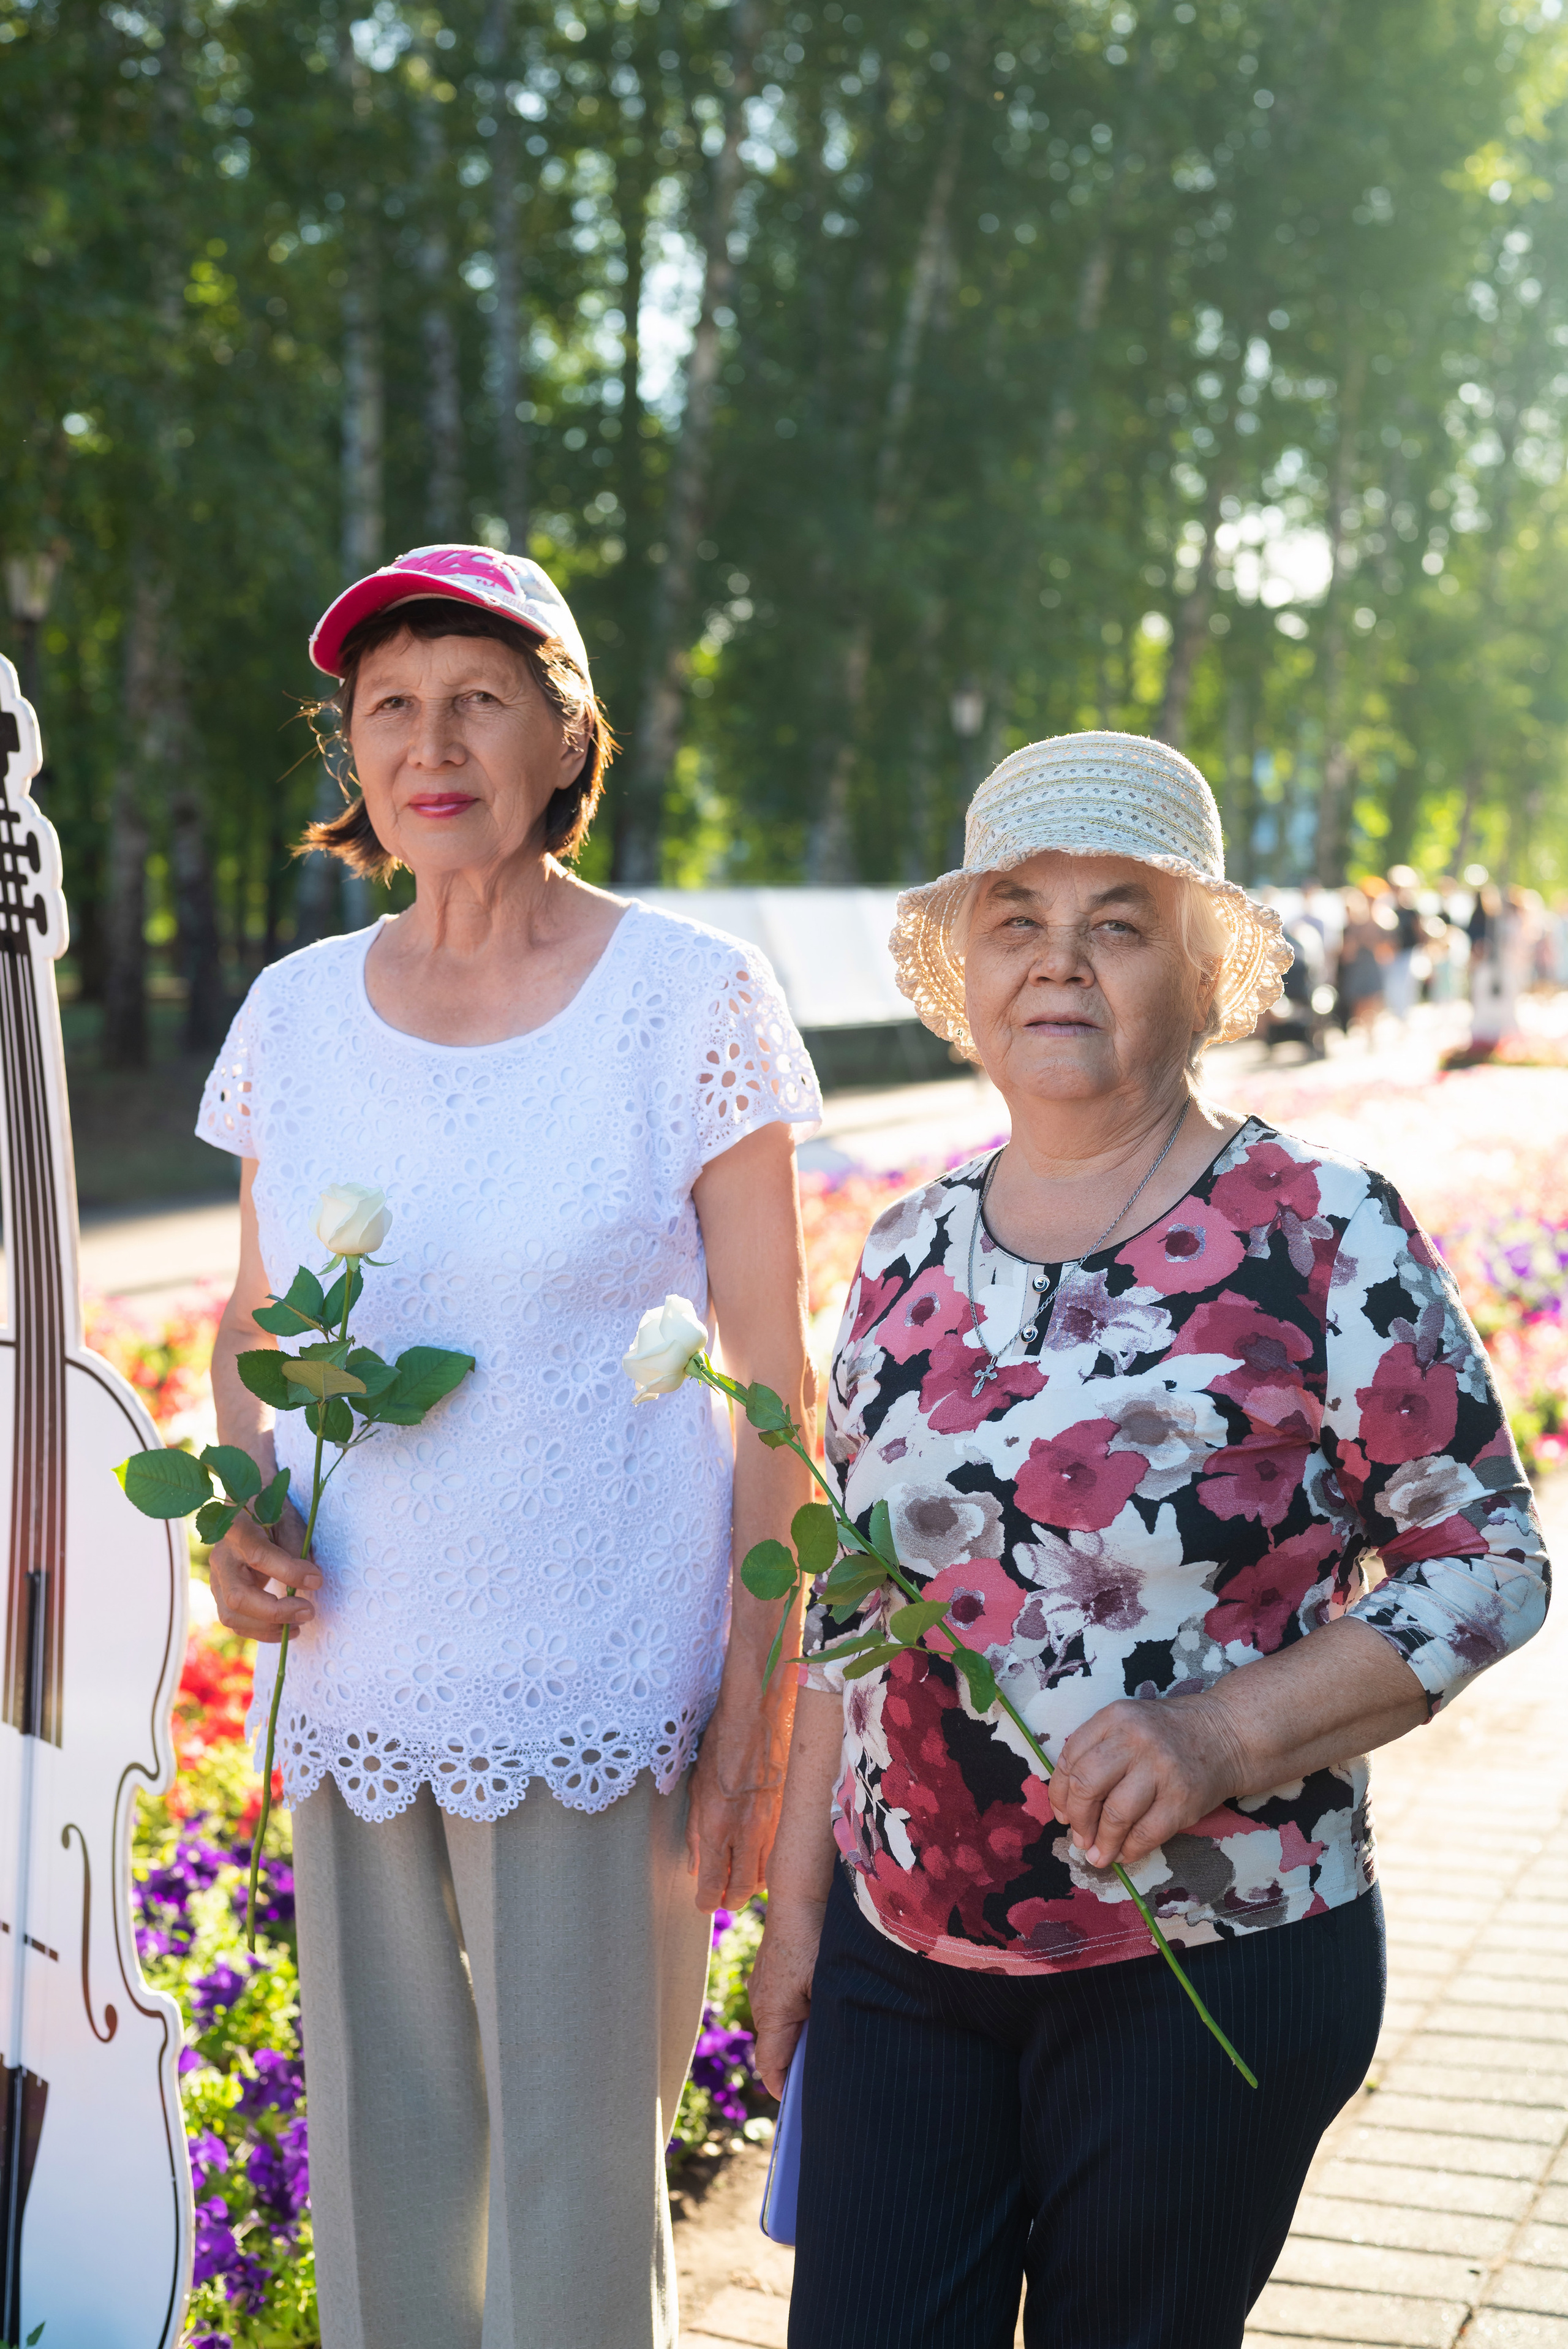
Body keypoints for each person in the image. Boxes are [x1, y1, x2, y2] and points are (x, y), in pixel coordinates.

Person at [747, 730, 1550, 2349]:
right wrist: (799, 1912)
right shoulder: (905, 1248)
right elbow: (850, 1597)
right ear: (964, 965)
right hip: (912, 1956)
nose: (1057, 958)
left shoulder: (1321, 1224)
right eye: (1015, 916)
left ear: (1202, 969)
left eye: (1117, 919)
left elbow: (1490, 1559)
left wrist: (1216, 1731)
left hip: (1215, 1953)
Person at [196, 543, 821, 2349]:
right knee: (389, 2230)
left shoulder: (687, 1000)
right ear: (355, 755)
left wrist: (756, 1727)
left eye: (480, 695)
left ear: (567, 737)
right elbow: (251, 1321)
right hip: (359, 1681)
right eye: (389, 705)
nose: (431, 739)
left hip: (600, 1701)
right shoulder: (295, 1015)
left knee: (571, 2224)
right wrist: (241, 1494)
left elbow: (779, 1384)